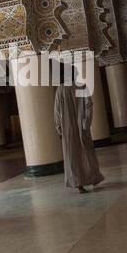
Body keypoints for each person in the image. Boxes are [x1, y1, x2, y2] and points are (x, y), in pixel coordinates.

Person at [54, 64, 103, 193]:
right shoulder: (81, 86)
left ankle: (78, 184)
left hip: (68, 128)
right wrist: (86, 123)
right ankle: (92, 178)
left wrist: (59, 127)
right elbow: (88, 106)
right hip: (81, 126)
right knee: (86, 152)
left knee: (72, 155)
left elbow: (57, 111)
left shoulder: (60, 89)